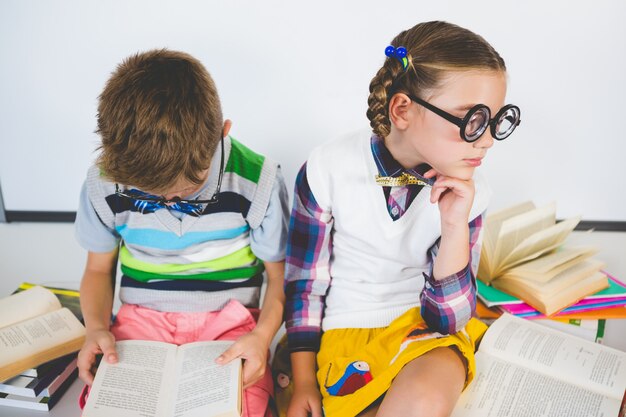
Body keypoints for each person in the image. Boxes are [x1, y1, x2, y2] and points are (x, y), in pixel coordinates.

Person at [283, 21, 521, 417]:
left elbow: (448, 319)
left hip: (425, 334)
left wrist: (453, 224)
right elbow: (305, 285)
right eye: (472, 120)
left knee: (427, 394)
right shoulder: (327, 168)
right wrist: (304, 380)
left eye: (496, 120)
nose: (487, 139)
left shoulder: (472, 193)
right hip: (347, 332)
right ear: (403, 109)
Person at [75, 49, 289, 417]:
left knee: (243, 408)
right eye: (148, 190)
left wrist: (262, 337)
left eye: (186, 189)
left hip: (230, 324)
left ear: (223, 134)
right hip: (139, 322)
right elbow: (97, 270)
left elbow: (281, 279)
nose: (168, 200)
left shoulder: (259, 181)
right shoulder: (106, 181)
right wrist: (95, 328)